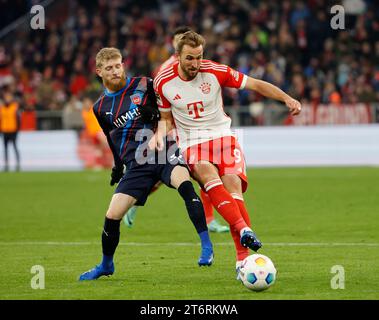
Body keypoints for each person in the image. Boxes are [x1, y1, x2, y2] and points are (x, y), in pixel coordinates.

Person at [150, 31, 302, 278]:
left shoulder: (215, 70)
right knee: (209, 178)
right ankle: (244, 236)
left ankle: (241, 257)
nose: (195, 64)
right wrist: (159, 134)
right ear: (177, 56)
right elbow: (166, 119)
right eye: (189, 58)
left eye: (199, 57)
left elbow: (254, 84)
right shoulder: (163, 82)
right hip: (192, 142)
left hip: (222, 136)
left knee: (234, 189)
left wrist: (286, 98)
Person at [79, 47, 213, 281]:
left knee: (185, 186)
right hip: (137, 165)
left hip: (163, 153)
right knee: (112, 215)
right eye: (109, 68)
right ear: (99, 71)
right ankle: (106, 265)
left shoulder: (144, 84)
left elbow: (168, 111)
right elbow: (112, 137)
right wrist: (118, 166)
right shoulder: (100, 108)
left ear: (123, 64)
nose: (115, 71)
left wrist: (158, 119)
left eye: (118, 65)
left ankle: (206, 247)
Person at [124, 26, 229, 233]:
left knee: (204, 171)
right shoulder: (165, 70)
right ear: (174, 43)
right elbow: (158, 100)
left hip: (195, 128)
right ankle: (134, 203)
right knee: (162, 176)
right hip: (174, 128)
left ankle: (209, 219)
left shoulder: (196, 66)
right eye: (179, 39)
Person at [0, 91, 21, 171]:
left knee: (15, 147)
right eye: (6, 98)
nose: (7, 99)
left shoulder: (14, 107)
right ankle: (6, 164)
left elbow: (18, 119)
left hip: (13, 130)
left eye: (9, 98)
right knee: (5, 148)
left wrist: (17, 130)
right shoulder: (2, 108)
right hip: (4, 130)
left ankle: (18, 163)